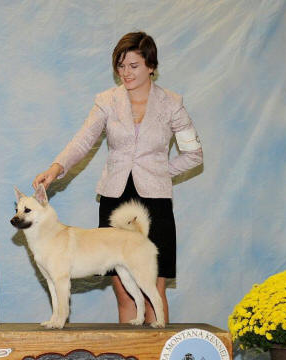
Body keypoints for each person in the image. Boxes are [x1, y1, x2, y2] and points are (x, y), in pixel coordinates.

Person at [33, 31, 202, 328]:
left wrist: (161, 171)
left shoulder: (172, 103)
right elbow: (82, 141)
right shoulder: (107, 101)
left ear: (151, 65)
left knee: (154, 289)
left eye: (133, 65)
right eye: (121, 66)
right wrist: (56, 167)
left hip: (155, 203)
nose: (126, 73)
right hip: (115, 199)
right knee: (124, 291)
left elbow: (193, 154)